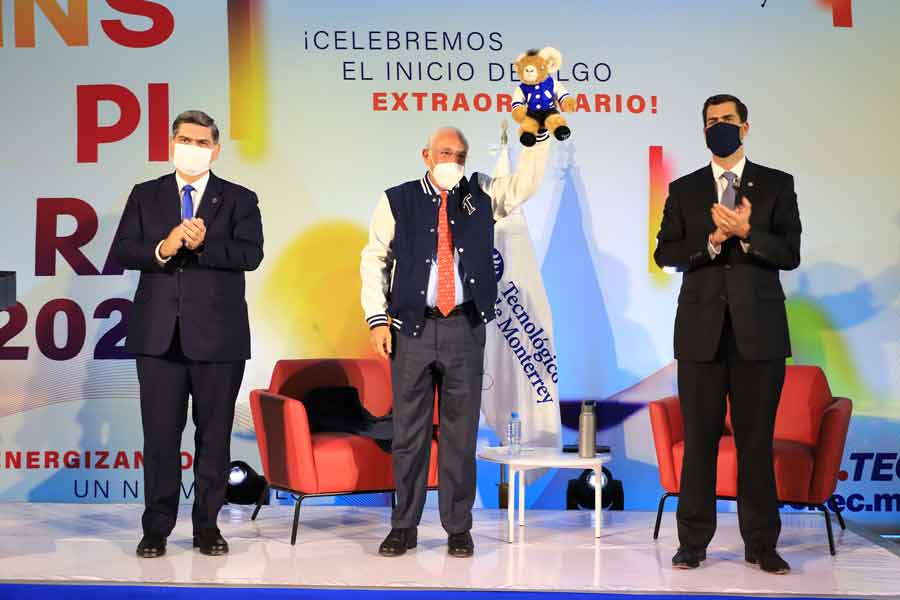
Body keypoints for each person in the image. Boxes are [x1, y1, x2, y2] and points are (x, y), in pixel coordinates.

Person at [360, 126, 551, 557]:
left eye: (461, 155)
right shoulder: (397, 199)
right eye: (445, 153)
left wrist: (539, 139)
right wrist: (376, 320)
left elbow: (526, 184)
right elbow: (374, 258)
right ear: (426, 155)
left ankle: (457, 528)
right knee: (408, 434)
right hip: (411, 327)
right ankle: (403, 526)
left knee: (460, 434)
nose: (454, 161)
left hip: (464, 328)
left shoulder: (480, 192)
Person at [655, 94, 801, 574]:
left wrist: (746, 231)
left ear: (745, 127)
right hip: (700, 334)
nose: (720, 127)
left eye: (728, 120)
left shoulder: (777, 185)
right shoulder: (684, 188)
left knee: (755, 442)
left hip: (759, 334)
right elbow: (665, 254)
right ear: (703, 131)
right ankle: (692, 542)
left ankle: (761, 543)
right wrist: (712, 241)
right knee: (698, 441)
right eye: (712, 122)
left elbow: (789, 251)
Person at [113, 110, 264, 558]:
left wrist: (202, 245)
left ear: (216, 150)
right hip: (158, 337)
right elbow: (124, 249)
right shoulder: (147, 195)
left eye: (202, 142)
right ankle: (156, 528)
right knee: (160, 438)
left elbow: (250, 253)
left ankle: (207, 528)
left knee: (213, 437)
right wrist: (166, 245)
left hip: (218, 339)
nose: (193, 147)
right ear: (170, 143)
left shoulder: (239, 198)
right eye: (185, 139)